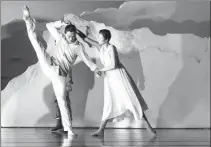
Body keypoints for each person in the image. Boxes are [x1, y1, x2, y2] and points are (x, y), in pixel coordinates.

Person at [22, 6, 99, 136]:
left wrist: (95, 69)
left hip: (60, 76)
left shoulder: (78, 47)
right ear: (66, 34)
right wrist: (62, 23)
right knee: (36, 43)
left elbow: (87, 59)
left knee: (62, 100)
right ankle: (28, 20)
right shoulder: (61, 38)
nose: (72, 39)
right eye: (69, 36)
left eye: (73, 36)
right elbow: (49, 26)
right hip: (49, 64)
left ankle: (69, 129)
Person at [76, 28, 157, 136]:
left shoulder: (111, 48)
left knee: (131, 100)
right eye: (98, 37)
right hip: (109, 78)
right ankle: (101, 130)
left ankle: (149, 127)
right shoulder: (101, 47)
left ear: (106, 39)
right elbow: (86, 39)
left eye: (100, 37)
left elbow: (113, 65)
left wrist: (100, 70)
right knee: (109, 102)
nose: (98, 39)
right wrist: (76, 30)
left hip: (119, 76)